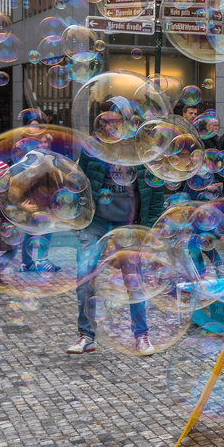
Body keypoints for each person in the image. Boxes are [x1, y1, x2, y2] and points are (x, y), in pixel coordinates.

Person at [67, 146, 156, 356]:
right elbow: (79, 185)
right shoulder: (92, 150)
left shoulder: (144, 151)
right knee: (84, 278)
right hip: (95, 223)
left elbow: (155, 197)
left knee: (134, 280)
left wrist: (148, 232)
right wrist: (77, 217)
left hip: (127, 224)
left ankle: (141, 335)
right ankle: (86, 336)